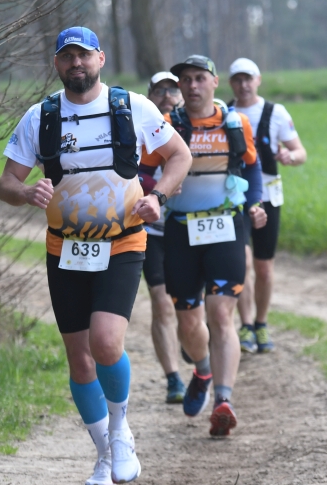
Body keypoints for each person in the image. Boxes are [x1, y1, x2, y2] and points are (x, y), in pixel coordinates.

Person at [0, 27, 191, 485]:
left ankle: (121, 432)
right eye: (67, 56)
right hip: (65, 248)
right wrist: (26, 192)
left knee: (105, 342)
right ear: (56, 64)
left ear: (100, 58)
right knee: (80, 359)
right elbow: (6, 183)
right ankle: (104, 455)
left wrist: (158, 197)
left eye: (84, 55)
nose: (76, 63)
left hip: (122, 241)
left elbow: (179, 156)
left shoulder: (132, 107)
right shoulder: (41, 117)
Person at [139, 55, 267, 438]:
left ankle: (223, 401)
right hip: (180, 231)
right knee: (188, 322)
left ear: (214, 82)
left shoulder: (234, 123)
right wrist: (155, 191)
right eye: (185, 80)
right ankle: (203, 370)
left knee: (221, 314)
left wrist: (255, 203)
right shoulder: (166, 126)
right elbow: (142, 172)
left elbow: (252, 166)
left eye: (199, 78)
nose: (192, 86)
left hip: (226, 225)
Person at [227, 57, 307, 354]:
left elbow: (300, 152)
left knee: (264, 268)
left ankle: (261, 323)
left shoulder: (276, 113)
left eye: (248, 79)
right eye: (238, 80)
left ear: (258, 80)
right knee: (243, 263)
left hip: (269, 198)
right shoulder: (224, 112)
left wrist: (290, 157)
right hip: (235, 200)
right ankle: (246, 325)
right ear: (230, 83)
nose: (244, 85)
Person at [138, 71, 198, 404]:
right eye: (159, 90)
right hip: (151, 231)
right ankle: (173, 378)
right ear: (149, 95)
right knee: (161, 302)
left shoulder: (194, 127)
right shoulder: (139, 130)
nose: (166, 96)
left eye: (173, 90)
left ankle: (193, 344)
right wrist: (160, 189)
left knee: (191, 305)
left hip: (189, 228)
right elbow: (132, 174)